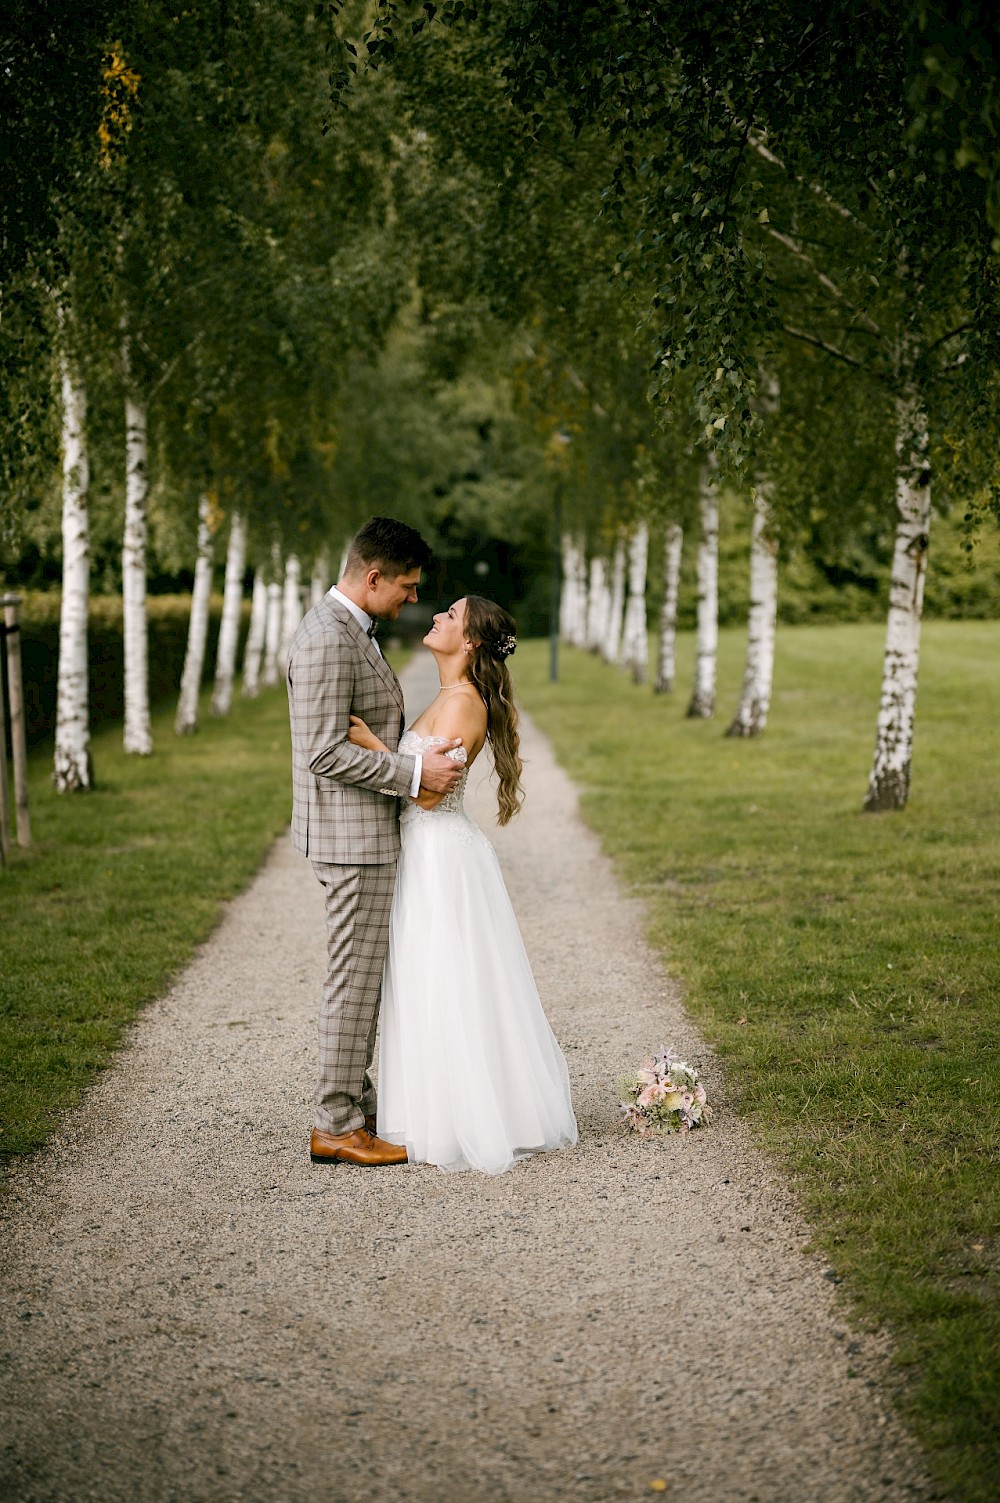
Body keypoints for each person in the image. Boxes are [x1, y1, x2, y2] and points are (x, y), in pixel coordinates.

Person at [348, 595, 578, 1175]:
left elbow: (428, 793)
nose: (436, 619)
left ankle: (461, 1115)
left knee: (447, 976)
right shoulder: (449, 696)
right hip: (426, 851)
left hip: (440, 855)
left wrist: (374, 748)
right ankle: (434, 1106)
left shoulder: (464, 705)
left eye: (449, 615)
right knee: (432, 977)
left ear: (470, 639)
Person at [286, 517, 465, 1167]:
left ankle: (357, 1104)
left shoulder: (348, 630)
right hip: (350, 838)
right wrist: (414, 772)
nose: (413, 600)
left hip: (358, 834)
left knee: (360, 979)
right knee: (353, 981)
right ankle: (335, 1122)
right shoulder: (328, 639)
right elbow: (323, 751)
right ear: (372, 576)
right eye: (407, 587)